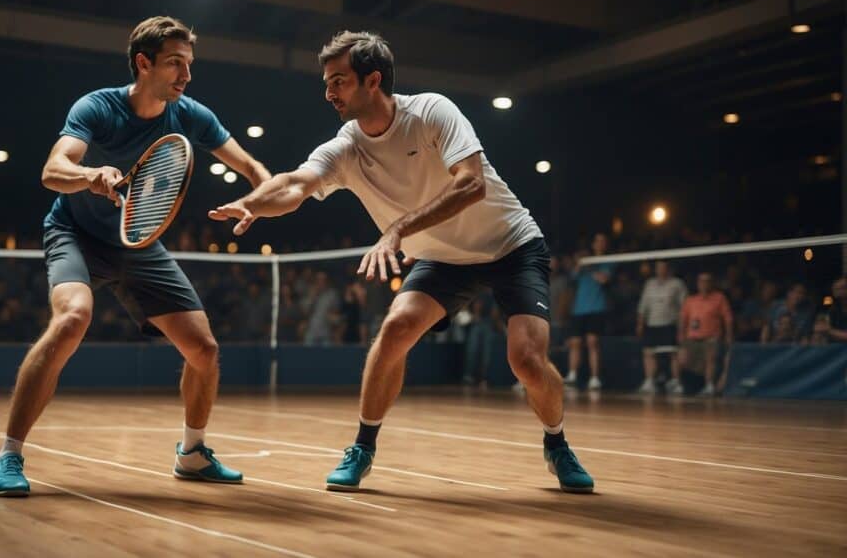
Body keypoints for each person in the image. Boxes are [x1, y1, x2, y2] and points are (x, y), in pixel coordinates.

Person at [209, 31, 593, 493]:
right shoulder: (346, 146)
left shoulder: (431, 111)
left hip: (511, 245)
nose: (328, 92)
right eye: (327, 82)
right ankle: (362, 447)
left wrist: (397, 230)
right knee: (396, 329)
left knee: (527, 360)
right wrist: (254, 202)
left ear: (373, 80)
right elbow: (294, 185)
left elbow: (472, 185)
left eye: (339, 81)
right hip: (440, 257)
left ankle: (557, 443)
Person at [0, 16, 272, 496]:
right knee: (72, 318)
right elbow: (53, 170)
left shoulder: (191, 114)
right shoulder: (98, 107)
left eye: (189, 64)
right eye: (176, 64)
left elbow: (250, 165)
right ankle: (8, 456)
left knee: (204, 349)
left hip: (136, 240)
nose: (186, 75)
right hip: (74, 230)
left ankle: (193, 453)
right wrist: (91, 175)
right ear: (144, 63)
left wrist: (258, 198)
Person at [671, 273, 733, 397]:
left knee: (711, 357)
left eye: (707, 281)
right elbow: (683, 319)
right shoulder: (690, 300)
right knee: (679, 357)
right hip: (692, 338)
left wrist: (729, 335)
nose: (704, 284)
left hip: (711, 337)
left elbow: (728, 318)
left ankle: (709, 386)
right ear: (698, 283)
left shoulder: (719, 298)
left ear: (712, 283)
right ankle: (677, 383)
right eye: (701, 281)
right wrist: (681, 335)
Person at [565, 234, 614, 390]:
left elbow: (603, 279)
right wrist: (580, 264)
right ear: (593, 244)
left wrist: (590, 267)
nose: (600, 243)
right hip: (579, 309)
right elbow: (573, 276)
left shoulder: (608, 262)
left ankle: (594, 378)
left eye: (603, 241)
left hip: (596, 308)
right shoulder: (585, 261)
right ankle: (572, 375)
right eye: (597, 241)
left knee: (593, 342)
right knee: (575, 343)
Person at [635, 261, 686, 394]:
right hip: (652, 324)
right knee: (648, 353)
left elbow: (684, 308)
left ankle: (676, 381)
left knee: (673, 354)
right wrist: (640, 323)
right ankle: (649, 381)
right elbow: (643, 306)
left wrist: (681, 328)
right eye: (658, 268)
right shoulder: (650, 284)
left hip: (669, 323)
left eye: (663, 267)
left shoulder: (677, 284)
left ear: (668, 269)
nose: (660, 270)